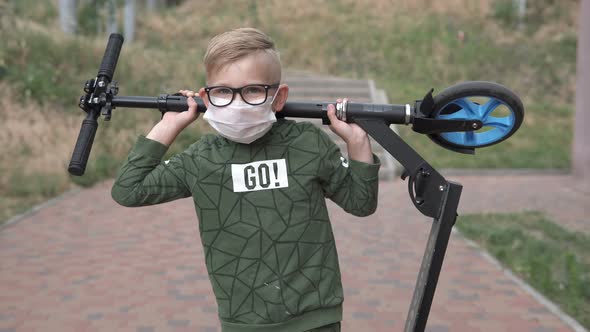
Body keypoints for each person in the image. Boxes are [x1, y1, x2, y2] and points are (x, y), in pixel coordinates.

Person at [111, 27, 380, 332]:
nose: (237, 103)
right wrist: (168, 126)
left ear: (279, 97)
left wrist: (358, 144)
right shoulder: (201, 159)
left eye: (253, 90)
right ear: (206, 98)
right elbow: (128, 190)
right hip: (244, 320)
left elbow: (361, 203)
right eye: (223, 91)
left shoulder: (307, 143)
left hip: (315, 317)